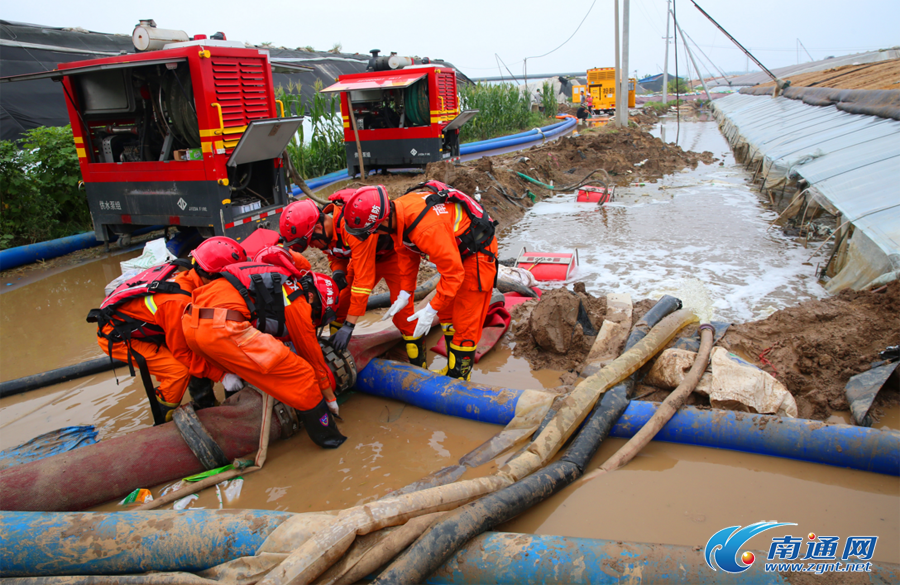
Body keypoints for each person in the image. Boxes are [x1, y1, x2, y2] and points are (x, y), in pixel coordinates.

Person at [183, 248, 346, 449]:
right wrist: (330, 398)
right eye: (316, 314)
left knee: (254, 370)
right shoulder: (298, 300)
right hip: (223, 328)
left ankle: (233, 415)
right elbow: (312, 356)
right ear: (312, 296)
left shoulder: (279, 280)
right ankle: (331, 439)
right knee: (303, 375)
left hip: (192, 325)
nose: (312, 319)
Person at [342, 182, 499, 381]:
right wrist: (405, 293)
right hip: (455, 251)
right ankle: (451, 369)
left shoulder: (425, 229)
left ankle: (459, 379)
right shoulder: (399, 213)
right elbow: (406, 254)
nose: (375, 235)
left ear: (383, 220)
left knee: (465, 321)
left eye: (374, 230)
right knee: (447, 312)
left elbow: (453, 274)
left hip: (477, 255)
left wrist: (431, 308)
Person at [87, 237, 242, 424]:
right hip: (120, 336)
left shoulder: (190, 278)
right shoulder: (179, 302)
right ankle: (162, 424)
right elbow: (183, 352)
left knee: (202, 349)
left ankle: (206, 406)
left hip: (148, 325)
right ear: (212, 275)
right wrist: (222, 375)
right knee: (178, 372)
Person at [279, 196, 425, 367]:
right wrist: (338, 271)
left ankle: (420, 367)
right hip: (362, 259)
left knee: (403, 314)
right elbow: (334, 254)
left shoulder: (351, 227)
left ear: (318, 227)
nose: (311, 246)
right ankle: (336, 354)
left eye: (310, 242)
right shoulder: (325, 234)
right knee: (339, 303)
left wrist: (349, 326)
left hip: (393, 257)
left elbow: (363, 282)